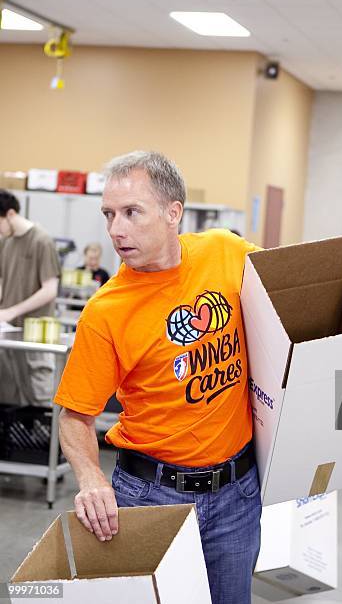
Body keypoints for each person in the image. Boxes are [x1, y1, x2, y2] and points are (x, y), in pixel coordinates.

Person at [55, 151, 261, 604]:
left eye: (132, 213)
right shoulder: (106, 312)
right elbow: (75, 417)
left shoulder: (227, 252)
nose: (116, 229)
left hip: (238, 494)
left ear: (173, 213)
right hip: (152, 496)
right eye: (109, 215)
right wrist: (91, 478)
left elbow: (289, 304)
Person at [0, 189, 61, 405]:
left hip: (36, 337)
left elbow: (50, 289)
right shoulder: (5, 242)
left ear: (9, 214)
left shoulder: (41, 241)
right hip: (8, 335)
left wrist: (11, 311)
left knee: (40, 399)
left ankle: (43, 440)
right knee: (9, 398)